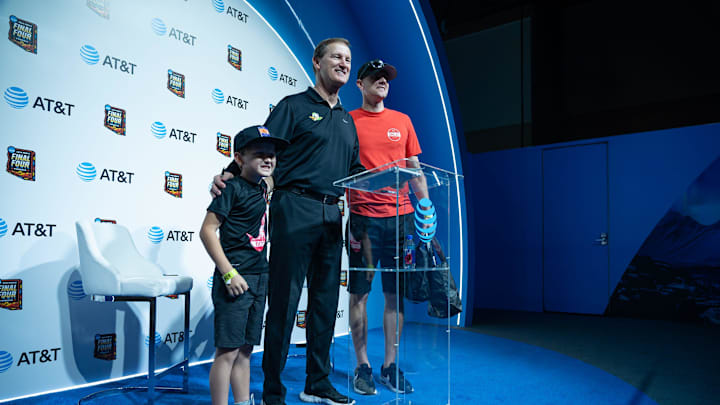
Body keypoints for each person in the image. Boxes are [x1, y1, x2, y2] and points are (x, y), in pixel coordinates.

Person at [212, 38, 365, 405]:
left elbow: (355, 171)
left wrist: (385, 185)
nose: (343, 63)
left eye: (348, 58)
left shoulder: (347, 119)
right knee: (284, 302)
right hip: (293, 208)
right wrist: (226, 174)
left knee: (326, 303)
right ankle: (273, 391)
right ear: (317, 62)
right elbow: (259, 148)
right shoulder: (293, 106)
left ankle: (317, 382)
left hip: (333, 215)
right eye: (336, 57)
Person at [346, 59, 429, 396]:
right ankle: (362, 365)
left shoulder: (402, 121)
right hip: (363, 221)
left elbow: (416, 169)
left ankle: (389, 366)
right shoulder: (347, 122)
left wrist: (426, 210)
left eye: (385, 78)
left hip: (401, 220)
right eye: (374, 77)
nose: (381, 81)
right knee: (359, 295)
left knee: (394, 298)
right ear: (360, 85)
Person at [200, 125, 288, 405]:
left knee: (246, 350)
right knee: (227, 352)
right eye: (259, 154)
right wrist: (228, 273)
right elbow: (207, 231)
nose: (267, 159)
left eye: (271, 155)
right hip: (235, 278)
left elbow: (271, 178)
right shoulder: (231, 189)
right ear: (239, 158)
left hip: (260, 276)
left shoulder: (265, 186)